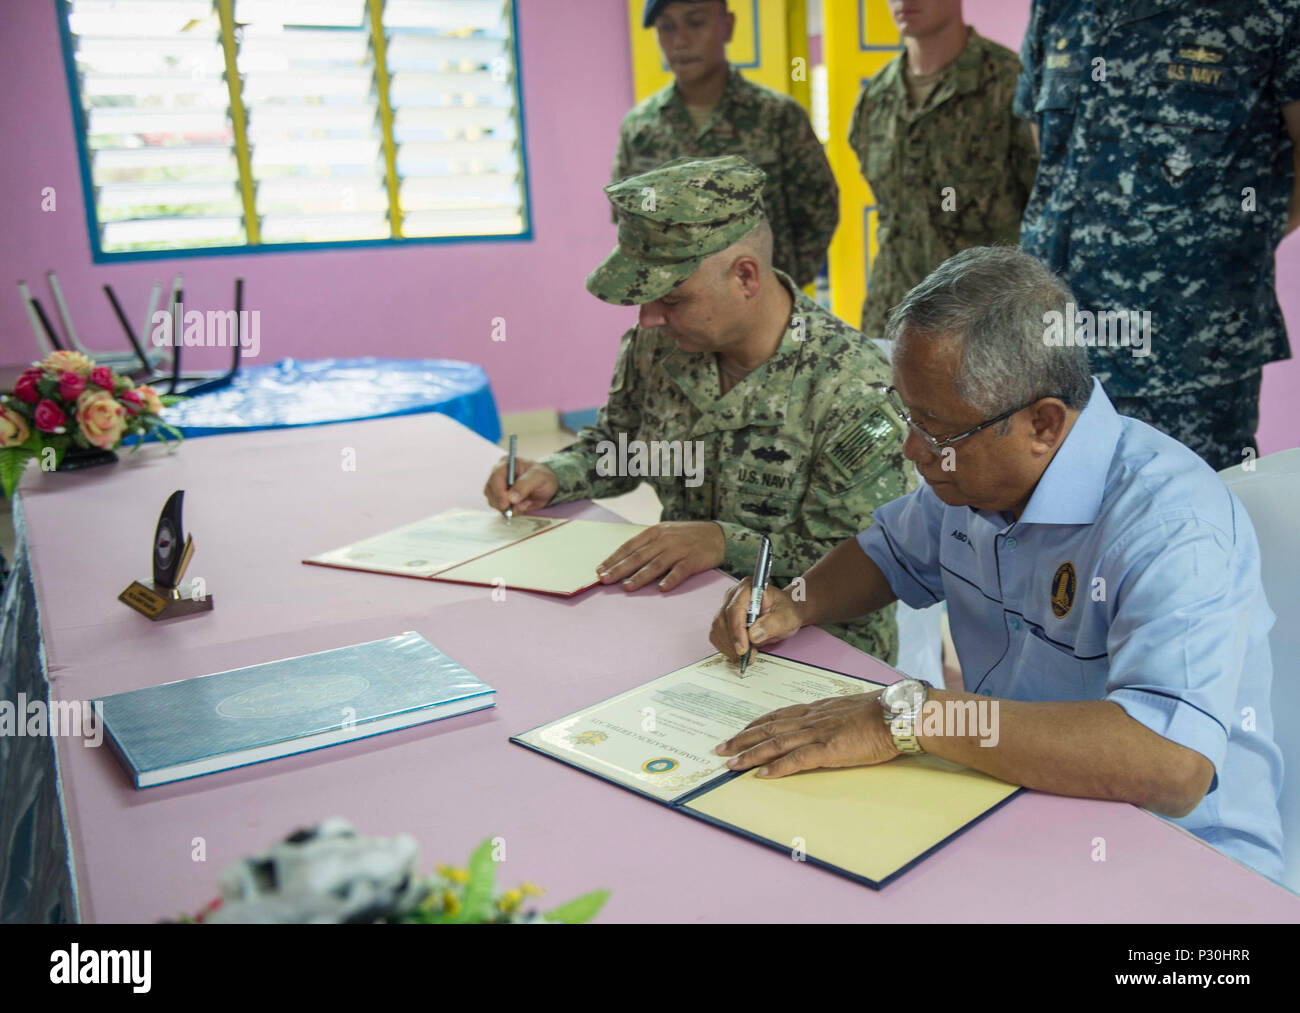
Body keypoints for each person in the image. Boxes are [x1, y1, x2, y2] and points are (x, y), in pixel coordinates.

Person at [708, 246, 1284, 880]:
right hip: (1013, 804)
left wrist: (915, 716)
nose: (914, 449)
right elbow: (889, 552)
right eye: (909, 415)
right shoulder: (975, 480)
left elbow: (1171, 765)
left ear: (1042, 424)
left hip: (1182, 864)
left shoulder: (1173, 529)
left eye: (937, 430)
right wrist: (794, 600)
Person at [484, 156, 912, 663]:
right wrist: (557, 475)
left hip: (818, 649)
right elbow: (622, 449)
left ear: (745, 277)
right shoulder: (659, 349)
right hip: (679, 624)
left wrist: (722, 543)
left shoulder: (851, 387)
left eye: (671, 298)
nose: (648, 318)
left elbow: (871, 561)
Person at [1015, 0, 1300, 471]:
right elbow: (1050, 150)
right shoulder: (1057, 7)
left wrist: (1233, 241)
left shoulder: (1269, 10)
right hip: (1057, 345)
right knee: (1059, 531)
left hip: (1187, 353)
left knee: (1193, 527)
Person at [611, 0, 838, 287]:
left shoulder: (777, 116)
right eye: (666, 27)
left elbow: (819, 209)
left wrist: (780, 283)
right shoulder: (639, 128)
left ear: (727, 26)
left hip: (761, 314)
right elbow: (628, 222)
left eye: (695, 22)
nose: (680, 40)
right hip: (673, 314)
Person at [849, 0, 1037, 338]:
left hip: (984, 325)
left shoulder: (1009, 84)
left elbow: (1040, 210)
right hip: (894, 318)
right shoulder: (876, 98)